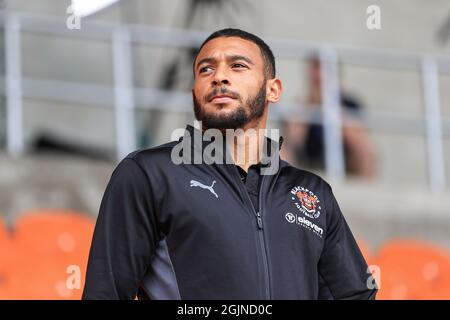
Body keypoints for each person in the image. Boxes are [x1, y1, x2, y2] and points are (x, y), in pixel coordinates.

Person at [82, 28, 377, 300]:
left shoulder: (312, 192)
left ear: (273, 90)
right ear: (194, 93)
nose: (219, 76)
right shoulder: (148, 174)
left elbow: (354, 295)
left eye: (238, 66)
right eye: (206, 69)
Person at [281, 57, 377, 179]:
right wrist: (307, 114)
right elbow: (292, 143)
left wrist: (336, 115)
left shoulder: (350, 104)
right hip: (307, 161)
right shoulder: (299, 107)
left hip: (346, 160)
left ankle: (365, 192)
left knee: (367, 149)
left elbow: (360, 141)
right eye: (317, 82)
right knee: (277, 148)